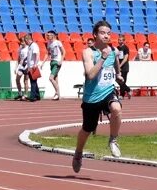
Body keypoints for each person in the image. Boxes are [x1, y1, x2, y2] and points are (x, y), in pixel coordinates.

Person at [72, 20, 123, 174]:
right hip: (91, 98)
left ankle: (113, 139)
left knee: (116, 108)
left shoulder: (112, 51)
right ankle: (78, 153)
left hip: (108, 91)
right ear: (95, 35)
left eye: (109, 33)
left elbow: (115, 64)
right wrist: (102, 58)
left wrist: (119, 75)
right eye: (102, 32)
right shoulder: (88, 52)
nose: (106, 35)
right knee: (87, 129)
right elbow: (90, 75)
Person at [44, 30, 64, 100]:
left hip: (57, 62)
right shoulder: (49, 43)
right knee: (55, 79)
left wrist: (61, 60)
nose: (47, 36)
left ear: (53, 35)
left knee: (51, 78)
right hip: (52, 62)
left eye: (49, 35)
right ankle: (57, 95)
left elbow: (63, 52)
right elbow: (48, 53)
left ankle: (58, 93)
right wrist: (43, 63)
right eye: (47, 35)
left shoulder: (58, 42)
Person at [26, 34, 42, 102]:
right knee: (34, 81)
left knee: (33, 81)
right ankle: (37, 95)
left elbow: (37, 54)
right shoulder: (30, 46)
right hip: (30, 66)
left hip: (33, 65)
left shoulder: (34, 45)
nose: (26, 42)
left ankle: (32, 96)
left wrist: (35, 64)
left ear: (28, 39)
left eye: (26, 41)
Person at [14, 34, 30, 100]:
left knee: (25, 81)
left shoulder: (28, 48)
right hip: (21, 66)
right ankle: (20, 93)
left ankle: (26, 94)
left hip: (26, 66)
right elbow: (18, 58)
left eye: (23, 41)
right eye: (21, 41)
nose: (22, 43)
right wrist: (16, 67)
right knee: (17, 79)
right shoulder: (20, 48)